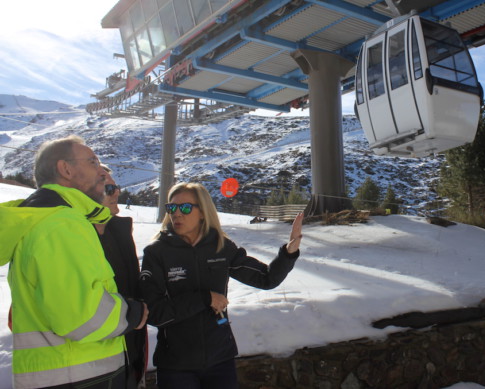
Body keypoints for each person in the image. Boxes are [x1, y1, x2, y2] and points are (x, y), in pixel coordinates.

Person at [0, 135, 148, 389]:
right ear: (65, 169)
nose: (101, 171)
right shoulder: (61, 223)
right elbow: (83, 317)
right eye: (92, 161)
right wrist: (132, 313)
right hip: (80, 376)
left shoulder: (50, 220)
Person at [140, 182, 303, 389]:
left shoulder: (220, 247)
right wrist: (204, 298)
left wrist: (288, 253)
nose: (177, 214)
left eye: (185, 207)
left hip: (220, 360)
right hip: (176, 365)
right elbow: (155, 313)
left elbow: (266, 279)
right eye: (172, 208)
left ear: (202, 212)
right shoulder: (157, 253)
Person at [96, 166, 148, 388]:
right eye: (109, 188)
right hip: (94, 369)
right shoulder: (70, 238)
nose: (116, 193)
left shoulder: (119, 231)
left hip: (129, 359)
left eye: (116, 187)